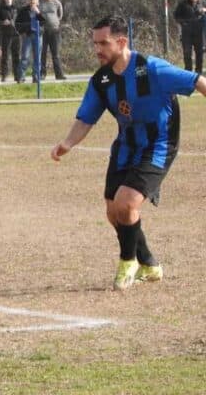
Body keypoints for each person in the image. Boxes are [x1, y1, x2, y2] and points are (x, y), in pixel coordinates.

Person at [50, 15, 206, 290]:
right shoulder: (102, 80)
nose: (97, 49)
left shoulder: (152, 69)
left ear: (122, 42)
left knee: (127, 202)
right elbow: (86, 118)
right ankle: (150, 264)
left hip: (158, 145)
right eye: (95, 43)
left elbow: (196, 81)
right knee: (114, 212)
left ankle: (128, 261)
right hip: (125, 147)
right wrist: (67, 143)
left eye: (103, 43)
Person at [173, 0, 205, 74]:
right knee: (187, 54)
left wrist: (204, 10)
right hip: (187, 34)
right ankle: (188, 72)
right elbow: (176, 15)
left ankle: (199, 73)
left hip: (199, 33)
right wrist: (183, 23)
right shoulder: (183, 4)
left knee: (200, 54)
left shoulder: (202, 3)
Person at [16, 0, 44, 83]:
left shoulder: (40, 9)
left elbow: (44, 22)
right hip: (27, 35)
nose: (32, 2)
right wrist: (22, 32)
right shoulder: (23, 10)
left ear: (37, 1)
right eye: (31, 0)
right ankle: (21, 77)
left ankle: (36, 77)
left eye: (34, 0)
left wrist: (38, 12)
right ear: (28, 1)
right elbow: (17, 23)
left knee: (37, 57)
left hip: (38, 35)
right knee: (25, 56)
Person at [39, 0, 66, 80]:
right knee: (42, 54)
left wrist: (54, 22)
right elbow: (36, 14)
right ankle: (42, 74)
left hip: (54, 31)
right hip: (42, 31)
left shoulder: (56, 2)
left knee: (56, 54)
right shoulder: (39, 2)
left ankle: (59, 75)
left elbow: (60, 14)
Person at [0, 0, 21, 83]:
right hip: (6, 35)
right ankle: (4, 75)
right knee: (5, 56)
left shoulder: (17, 9)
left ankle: (17, 76)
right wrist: (3, 23)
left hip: (16, 35)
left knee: (16, 56)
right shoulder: (1, 10)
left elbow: (20, 22)